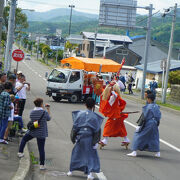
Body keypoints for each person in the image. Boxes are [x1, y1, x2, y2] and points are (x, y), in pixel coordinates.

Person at [67, 97, 103, 180]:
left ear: (85, 104)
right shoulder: (95, 117)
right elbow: (97, 130)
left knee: (76, 153)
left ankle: (71, 170)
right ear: (94, 106)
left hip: (80, 137)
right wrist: (95, 142)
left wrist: (73, 138)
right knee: (90, 155)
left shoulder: (79, 114)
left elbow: (75, 128)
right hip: (89, 138)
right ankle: (89, 174)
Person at [17, 98, 51, 170]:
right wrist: (47, 109)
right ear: (41, 104)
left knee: (24, 139)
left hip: (33, 131)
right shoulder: (44, 112)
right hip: (41, 133)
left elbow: (33, 120)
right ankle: (42, 165)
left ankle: (20, 152)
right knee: (41, 149)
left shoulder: (32, 112)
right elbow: (48, 118)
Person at [99, 82, 130, 149]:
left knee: (108, 126)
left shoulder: (114, 96)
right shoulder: (115, 96)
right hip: (117, 115)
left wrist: (112, 91)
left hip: (115, 115)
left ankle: (105, 140)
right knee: (120, 127)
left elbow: (109, 105)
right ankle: (126, 139)